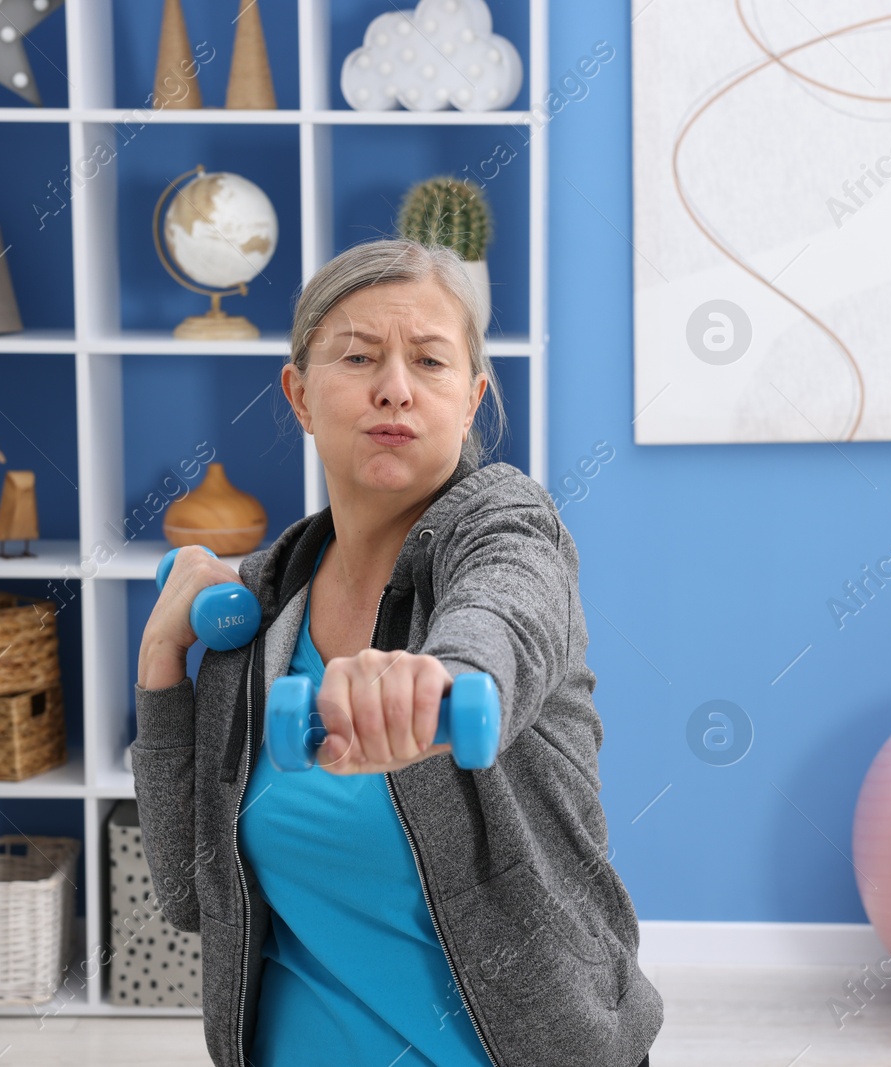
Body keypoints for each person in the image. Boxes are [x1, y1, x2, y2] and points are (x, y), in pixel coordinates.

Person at [132, 238, 661, 1066]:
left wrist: (440, 680)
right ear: (300, 395)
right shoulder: (261, 614)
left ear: (471, 398)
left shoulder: (508, 527)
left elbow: (504, 610)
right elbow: (189, 894)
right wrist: (161, 665)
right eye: (358, 356)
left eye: (430, 361)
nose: (395, 387)